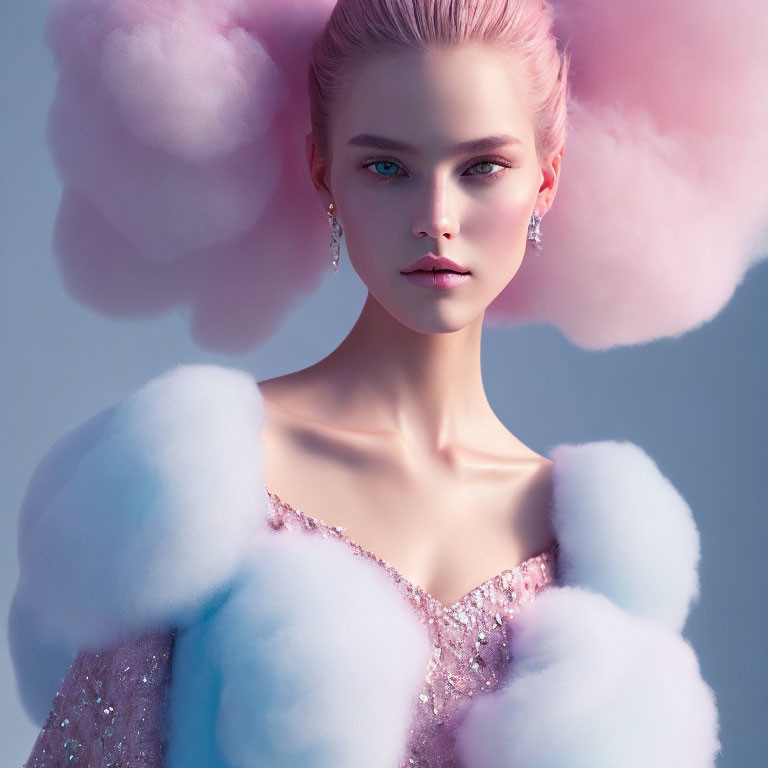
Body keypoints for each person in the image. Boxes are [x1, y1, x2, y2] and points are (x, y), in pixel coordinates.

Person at [18, 0, 768, 764]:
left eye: (481, 167)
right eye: (387, 167)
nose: (436, 217)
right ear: (325, 173)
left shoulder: (593, 552)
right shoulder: (196, 490)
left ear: (547, 177)